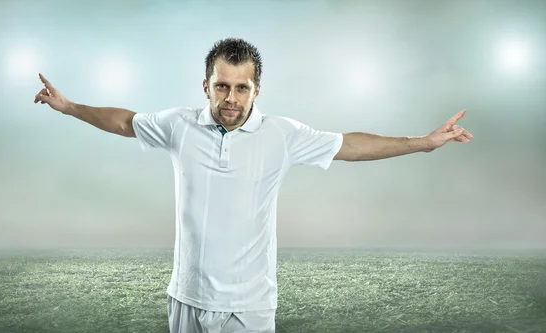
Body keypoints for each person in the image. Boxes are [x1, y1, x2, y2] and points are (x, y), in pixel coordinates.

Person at [33, 38, 473, 333]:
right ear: (205, 86)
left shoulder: (281, 134)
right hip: (185, 296)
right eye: (221, 86)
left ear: (256, 90)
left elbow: (351, 146)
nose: (231, 98)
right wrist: (69, 106)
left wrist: (423, 144)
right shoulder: (179, 126)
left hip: (249, 307)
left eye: (241, 88)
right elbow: (126, 121)